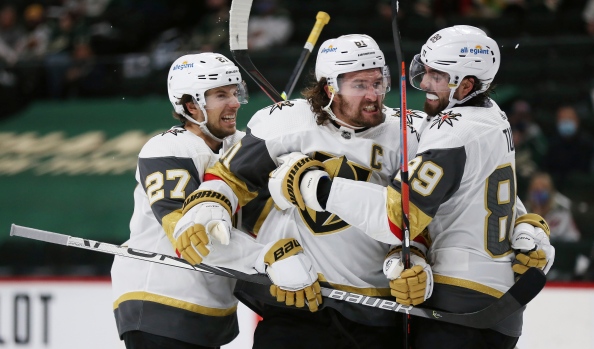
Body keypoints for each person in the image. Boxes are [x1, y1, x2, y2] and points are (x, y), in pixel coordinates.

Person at [171, 34, 431, 348]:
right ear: (329, 88)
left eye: (378, 82)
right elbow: (228, 178)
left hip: (375, 313)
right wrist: (208, 209)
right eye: (359, 85)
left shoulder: (411, 133)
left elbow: (418, 216)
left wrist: (413, 259)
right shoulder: (288, 120)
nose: (373, 95)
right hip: (298, 301)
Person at [304, 26, 555, 349]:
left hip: (459, 303)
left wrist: (317, 187)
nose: (423, 83)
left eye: (436, 76)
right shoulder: (493, 115)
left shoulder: (453, 134)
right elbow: (475, 190)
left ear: (466, 85)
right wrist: (526, 219)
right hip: (501, 309)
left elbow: (396, 218)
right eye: (425, 70)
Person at [110, 52, 249, 349]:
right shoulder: (169, 146)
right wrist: (270, 258)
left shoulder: (240, 146)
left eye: (235, 93)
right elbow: (189, 235)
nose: (235, 103)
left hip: (208, 309)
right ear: (192, 106)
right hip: (162, 301)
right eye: (221, 95)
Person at [526, 172, 581, 242]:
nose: (539, 192)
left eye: (543, 188)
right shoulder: (524, 212)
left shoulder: (561, 210)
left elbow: (551, 238)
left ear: (551, 191)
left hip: (565, 249)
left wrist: (538, 218)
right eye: (536, 190)